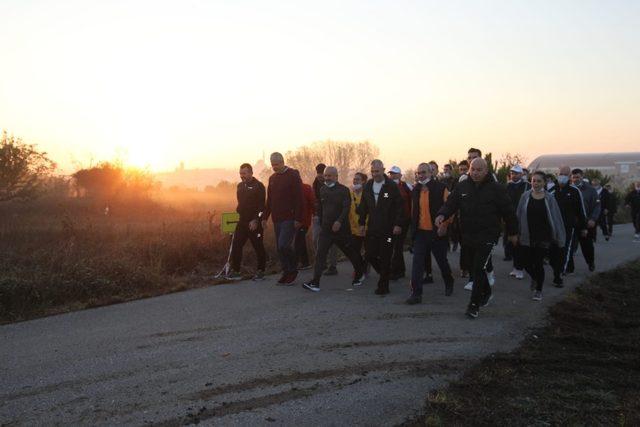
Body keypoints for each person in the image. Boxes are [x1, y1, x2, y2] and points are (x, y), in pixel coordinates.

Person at [435, 158, 518, 319]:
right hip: (468, 234)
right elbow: (451, 204)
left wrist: (513, 232)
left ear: (486, 171)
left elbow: (508, 212)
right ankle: (486, 292)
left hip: (488, 235)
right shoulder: (463, 186)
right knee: (474, 267)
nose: (475, 173)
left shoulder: (496, 189)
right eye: (473, 169)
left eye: (479, 170)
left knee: (479, 268)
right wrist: (442, 214)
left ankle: (474, 305)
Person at [302, 167, 365, 292]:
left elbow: (346, 208)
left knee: (351, 253)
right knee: (320, 254)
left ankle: (359, 273)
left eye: (330, 176)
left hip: (341, 230)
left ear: (336, 176)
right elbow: (320, 206)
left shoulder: (343, 190)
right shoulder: (322, 189)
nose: (327, 178)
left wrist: (339, 221)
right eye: (325, 176)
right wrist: (319, 218)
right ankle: (315, 282)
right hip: (326, 230)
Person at [406, 163, 454, 304]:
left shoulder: (441, 188)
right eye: (419, 173)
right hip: (421, 233)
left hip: (437, 232)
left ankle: (449, 281)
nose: (421, 175)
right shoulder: (416, 190)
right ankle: (416, 294)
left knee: (441, 261)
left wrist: (444, 225)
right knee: (417, 264)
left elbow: (450, 207)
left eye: (424, 172)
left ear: (431, 173)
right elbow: (414, 211)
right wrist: (413, 232)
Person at [516, 171, 566, 301]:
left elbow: (556, 217)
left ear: (544, 183)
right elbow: (519, 215)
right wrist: (515, 231)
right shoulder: (525, 196)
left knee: (538, 263)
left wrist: (559, 237)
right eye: (533, 180)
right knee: (525, 262)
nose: (536, 183)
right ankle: (534, 278)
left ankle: (539, 290)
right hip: (527, 234)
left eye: (539, 181)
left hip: (543, 236)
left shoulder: (549, 198)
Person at [357, 159, 405, 295]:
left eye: (377, 171)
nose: (374, 174)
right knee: (370, 255)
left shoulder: (391, 186)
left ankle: (383, 286)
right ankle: (386, 273)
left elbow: (399, 207)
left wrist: (398, 224)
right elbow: (363, 206)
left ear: (383, 170)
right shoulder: (368, 186)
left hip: (388, 230)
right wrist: (361, 223)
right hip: (372, 228)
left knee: (385, 256)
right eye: (372, 171)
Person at [263, 152, 304, 285]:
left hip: (290, 218)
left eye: (276, 164)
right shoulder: (272, 178)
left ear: (282, 162)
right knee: (279, 248)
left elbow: (299, 198)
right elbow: (270, 200)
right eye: (272, 164)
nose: (274, 167)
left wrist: (298, 218)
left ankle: (293, 269)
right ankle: (286, 271)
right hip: (277, 218)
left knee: (283, 245)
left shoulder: (293, 175)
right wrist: (264, 217)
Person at [228, 163, 267, 281]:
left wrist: (256, 220)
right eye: (240, 173)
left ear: (251, 173)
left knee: (258, 246)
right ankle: (236, 271)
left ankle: (261, 271)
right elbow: (240, 204)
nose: (242, 176)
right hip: (242, 222)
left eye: (244, 173)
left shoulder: (259, 186)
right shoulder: (239, 186)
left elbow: (262, 207)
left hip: (254, 223)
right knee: (236, 245)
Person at [550, 165, 587, 286]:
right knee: (551, 252)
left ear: (569, 176)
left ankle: (559, 273)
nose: (562, 177)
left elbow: (581, 210)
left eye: (565, 175)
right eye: (561, 174)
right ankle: (557, 267)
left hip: (568, 226)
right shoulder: (551, 191)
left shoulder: (574, 191)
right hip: (552, 226)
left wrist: (584, 227)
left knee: (564, 250)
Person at [569, 168, 600, 272]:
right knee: (569, 246)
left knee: (587, 246)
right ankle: (569, 267)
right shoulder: (568, 189)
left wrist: (593, 219)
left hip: (586, 222)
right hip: (571, 222)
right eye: (574, 177)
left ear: (582, 177)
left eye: (578, 177)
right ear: (571, 178)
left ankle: (590, 262)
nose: (576, 179)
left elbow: (596, 206)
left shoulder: (590, 190)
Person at [312, 163, 339, 275]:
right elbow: (315, 200)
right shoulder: (315, 184)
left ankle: (332, 265)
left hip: (332, 217)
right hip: (318, 216)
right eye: (318, 175)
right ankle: (322, 261)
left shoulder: (335, 186)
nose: (320, 177)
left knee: (332, 242)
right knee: (315, 238)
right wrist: (315, 213)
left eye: (321, 175)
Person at [505, 165, 531, 278]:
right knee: (512, 243)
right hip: (510, 219)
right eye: (512, 173)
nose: (514, 175)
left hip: (523, 218)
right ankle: (516, 267)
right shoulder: (508, 186)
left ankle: (520, 268)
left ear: (521, 174)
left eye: (516, 173)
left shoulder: (527, 186)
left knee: (521, 244)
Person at [388, 166, 412, 280]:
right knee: (393, 244)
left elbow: (412, 202)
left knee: (397, 245)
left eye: (395, 173)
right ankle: (400, 270)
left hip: (403, 221)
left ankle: (395, 271)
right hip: (389, 222)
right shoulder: (386, 187)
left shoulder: (406, 186)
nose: (392, 175)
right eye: (391, 173)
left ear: (400, 175)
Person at [349, 172, 368, 276]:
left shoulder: (367, 195)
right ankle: (359, 268)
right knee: (354, 251)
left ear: (363, 181)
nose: (355, 181)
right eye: (354, 179)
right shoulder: (349, 194)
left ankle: (364, 268)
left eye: (358, 179)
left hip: (365, 227)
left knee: (369, 252)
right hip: (353, 229)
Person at [295, 182, 316, 269]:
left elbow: (312, 202)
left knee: (299, 240)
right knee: (300, 240)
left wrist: (315, 214)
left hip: (305, 220)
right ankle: (303, 263)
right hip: (295, 221)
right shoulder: (291, 188)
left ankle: (303, 263)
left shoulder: (306, 188)